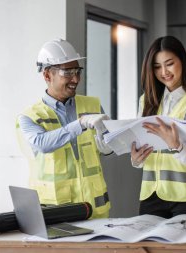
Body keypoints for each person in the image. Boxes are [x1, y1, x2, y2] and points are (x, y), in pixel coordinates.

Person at [16, 38, 113, 219]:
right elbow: (42, 143)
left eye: (77, 71)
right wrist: (80, 124)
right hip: (55, 213)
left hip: (95, 211)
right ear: (47, 75)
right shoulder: (29, 116)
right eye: (67, 73)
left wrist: (111, 144)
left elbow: (108, 144)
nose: (75, 79)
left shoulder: (93, 105)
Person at [130, 35, 186, 219]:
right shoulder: (146, 101)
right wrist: (137, 160)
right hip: (152, 195)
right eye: (157, 66)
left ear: (182, 62)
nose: (164, 72)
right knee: (150, 248)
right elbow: (144, 150)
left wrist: (176, 145)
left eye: (169, 63)